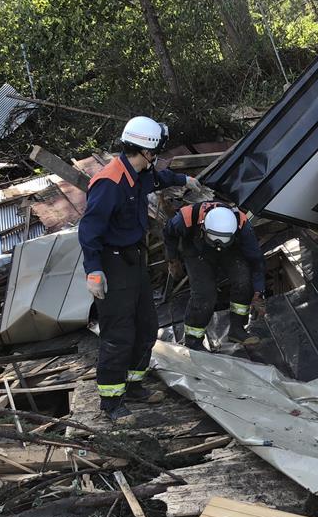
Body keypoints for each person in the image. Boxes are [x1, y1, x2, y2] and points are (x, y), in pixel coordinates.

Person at [79, 115, 202, 423]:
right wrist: (94, 270)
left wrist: (183, 180)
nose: (158, 155)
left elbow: (158, 179)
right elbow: (90, 230)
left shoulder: (138, 172)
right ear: (147, 151)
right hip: (112, 262)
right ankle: (111, 402)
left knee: (146, 324)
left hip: (134, 258)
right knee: (118, 333)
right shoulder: (110, 182)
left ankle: (134, 385)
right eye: (157, 149)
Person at [163, 202, 266, 350]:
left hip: (230, 250)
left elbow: (256, 259)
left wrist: (259, 291)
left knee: (244, 281)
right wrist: (173, 259)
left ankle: (237, 329)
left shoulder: (242, 224)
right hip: (196, 248)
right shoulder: (186, 218)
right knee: (204, 294)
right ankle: (193, 341)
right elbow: (168, 232)